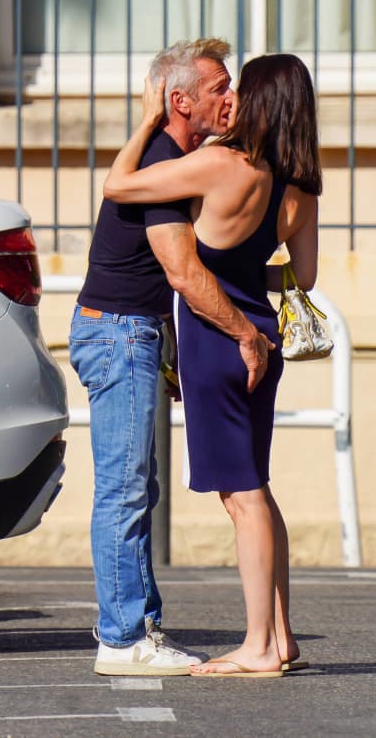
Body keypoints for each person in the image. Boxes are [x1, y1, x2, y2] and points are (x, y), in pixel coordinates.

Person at [103, 53, 322, 678]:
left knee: (241, 497)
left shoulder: (220, 164)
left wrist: (148, 122)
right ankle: (280, 636)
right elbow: (303, 275)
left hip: (215, 337)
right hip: (264, 333)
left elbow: (118, 186)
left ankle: (257, 646)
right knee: (258, 486)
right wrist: (253, 273)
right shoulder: (299, 184)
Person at [70, 38, 272, 677]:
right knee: (126, 490)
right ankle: (124, 638)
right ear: (179, 100)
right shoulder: (162, 160)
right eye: (219, 88)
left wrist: (173, 354)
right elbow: (182, 272)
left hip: (132, 334)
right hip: (119, 334)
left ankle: (137, 626)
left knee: (137, 486)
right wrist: (244, 333)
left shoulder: (172, 158)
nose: (231, 99)